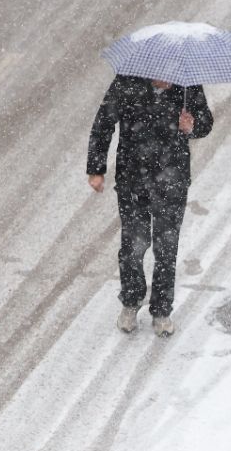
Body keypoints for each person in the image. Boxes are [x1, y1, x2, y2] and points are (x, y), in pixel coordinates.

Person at [87, 75, 214, 336]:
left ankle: (161, 311)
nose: (166, 81)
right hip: (133, 179)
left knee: (166, 248)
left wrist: (192, 126)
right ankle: (131, 302)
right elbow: (104, 123)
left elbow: (205, 122)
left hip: (172, 180)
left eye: (171, 77)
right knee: (133, 246)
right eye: (161, 77)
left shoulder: (188, 85)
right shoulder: (126, 83)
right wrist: (96, 169)